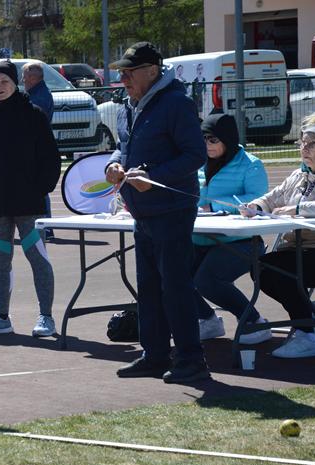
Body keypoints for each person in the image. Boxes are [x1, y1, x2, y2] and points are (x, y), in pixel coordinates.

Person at [104, 42, 210, 383]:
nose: (123, 78)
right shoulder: (128, 106)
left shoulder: (176, 104)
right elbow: (123, 145)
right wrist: (113, 163)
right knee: (148, 288)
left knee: (175, 287)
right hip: (142, 212)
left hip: (172, 209)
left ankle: (192, 360)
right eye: (121, 72)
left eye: (129, 72)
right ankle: (154, 355)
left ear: (152, 71)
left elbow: (195, 155)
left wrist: (154, 178)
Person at [0, 60, 61, 337]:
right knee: (0, 262)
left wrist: (40, 188)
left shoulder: (34, 114)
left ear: (15, 83)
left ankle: (46, 317)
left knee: (38, 258)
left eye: (4, 82)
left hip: (29, 205)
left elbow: (50, 158)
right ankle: (1, 318)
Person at [240, 110, 315, 358]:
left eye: (314, 144)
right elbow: (272, 197)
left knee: (282, 271)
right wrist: (256, 207)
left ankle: (307, 337)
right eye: (303, 142)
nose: (305, 148)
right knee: (261, 268)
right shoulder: (298, 175)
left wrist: (300, 208)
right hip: (295, 247)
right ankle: (309, 315)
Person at [193, 113, 271, 345]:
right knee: (169, 273)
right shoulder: (196, 162)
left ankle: (255, 321)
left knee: (206, 279)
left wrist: (215, 206)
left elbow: (258, 200)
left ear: (227, 138)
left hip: (242, 242)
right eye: (203, 139)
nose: (207, 145)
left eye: (213, 140)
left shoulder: (251, 164)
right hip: (199, 239)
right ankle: (208, 320)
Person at [22, 61, 55, 239]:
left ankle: (45, 227)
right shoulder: (38, 93)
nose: (23, 80)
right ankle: (44, 227)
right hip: (38, 145)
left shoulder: (38, 97)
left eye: (25, 76)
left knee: (40, 189)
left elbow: (32, 123)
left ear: (33, 78)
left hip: (37, 147)